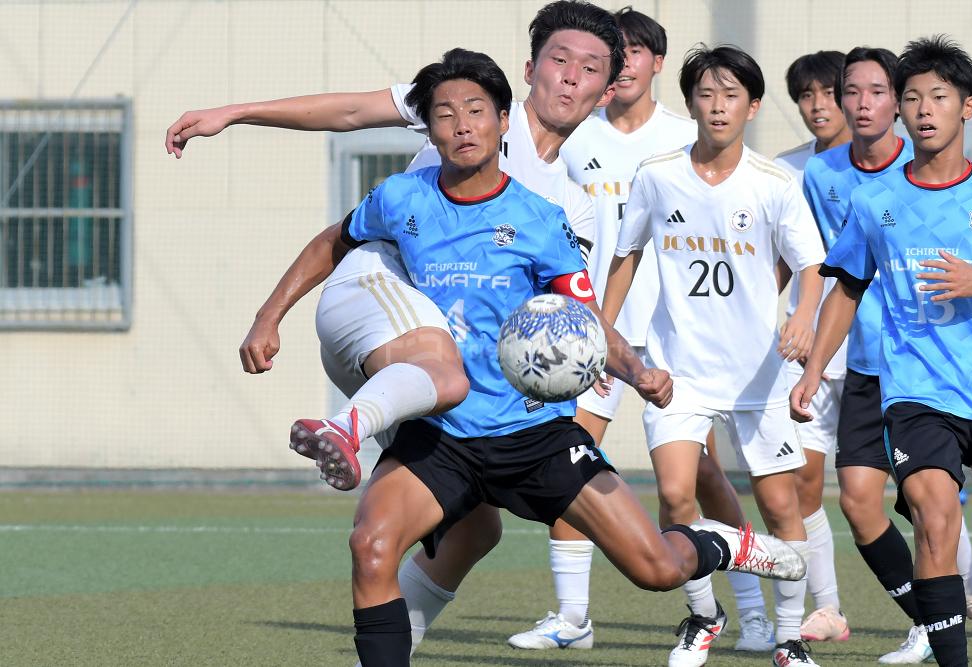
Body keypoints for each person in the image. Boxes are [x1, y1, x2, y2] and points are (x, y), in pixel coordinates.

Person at [254, 47, 809, 666]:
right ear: (430, 130)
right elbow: (334, 240)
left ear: (502, 121)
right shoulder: (401, 198)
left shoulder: (541, 220)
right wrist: (269, 316)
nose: (462, 126)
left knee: (655, 568)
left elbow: (586, 320)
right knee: (371, 545)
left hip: (534, 434)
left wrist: (636, 372)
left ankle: (719, 543)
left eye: (476, 111)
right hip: (442, 436)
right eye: (444, 115)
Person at [169, 1, 623, 656]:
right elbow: (350, 112)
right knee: (442, 374)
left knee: (474, 529)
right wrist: (235, 113)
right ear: (530, 70)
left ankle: (391, 649)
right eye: (559, 59)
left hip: (427, 358)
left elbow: (555, 316)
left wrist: (580, 372)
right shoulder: (468, 105)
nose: (571, 76)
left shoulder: (567, 202)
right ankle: (343, 428)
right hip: (374, 294)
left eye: (590, 68)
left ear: (606, 91)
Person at [506, 8, 775, 658]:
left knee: (701, 479)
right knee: (569, 460)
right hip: (591, 333)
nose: (622, 64)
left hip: (681, 338)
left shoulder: (689, 133)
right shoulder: (574, 135)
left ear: (657, 62)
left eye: (634, 52)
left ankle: (754, 615)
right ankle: (574, 616)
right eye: (613, 54)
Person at [604, 44, 826, 666]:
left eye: (731, 95)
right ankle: (704, 615)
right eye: (706, 94)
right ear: (692, 103)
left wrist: (802, 318)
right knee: (676, 495)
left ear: (752, 107)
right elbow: (626, 255)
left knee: (781, 507)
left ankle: (788, 638)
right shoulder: (657, 174)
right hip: (679, 370)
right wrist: (602, 330)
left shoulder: (774, 183)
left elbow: (811, 265)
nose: (718, 106)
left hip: (758, 374)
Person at [792, 35, 972, 667]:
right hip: (915, 391)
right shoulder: (875, 201)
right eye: (912, 98)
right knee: (935, 515)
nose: (924, 109)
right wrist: (812, 370)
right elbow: (846, 288)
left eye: (939, 96)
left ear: (967, 106)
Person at [773, 50, 852, 643]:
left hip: (887, 353)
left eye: (829, 92)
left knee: (927, 490)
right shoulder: (784, 171)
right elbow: (772, 261)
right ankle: (828, 609)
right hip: (811, 352)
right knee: (804, 481)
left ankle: (963, 603)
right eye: (806, 95)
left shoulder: (895, 164)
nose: (817, 105)